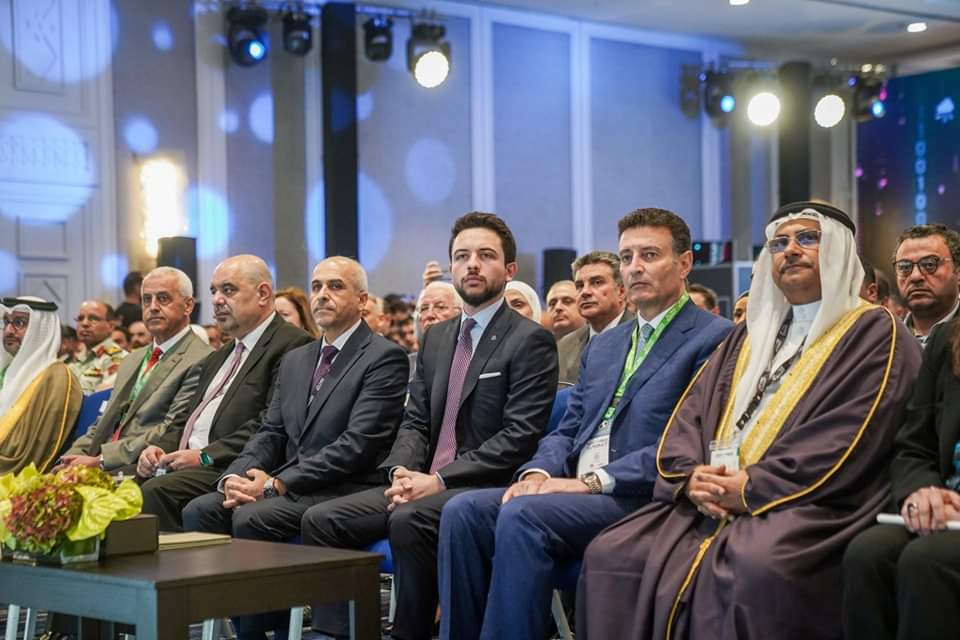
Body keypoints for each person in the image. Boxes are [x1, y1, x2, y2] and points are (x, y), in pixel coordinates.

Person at [576, 201, 922, 640]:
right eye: (779, 243)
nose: (790, 250)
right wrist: (690, 475)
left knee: (758, 568)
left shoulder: (874, 331)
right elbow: (692, 413)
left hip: (811, 503)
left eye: (807, 239)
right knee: (612, 553)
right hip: (711, 498)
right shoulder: (749, 332)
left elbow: (850, 434)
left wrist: (753, 486)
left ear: (837, 251)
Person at [438, 208, 733, 640]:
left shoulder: (716, 338)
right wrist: (539, 473)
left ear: (685, 263)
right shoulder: (607, 344)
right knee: (462, 512)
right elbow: (569, 427)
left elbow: (687, 444)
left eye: (649, 255)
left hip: (643, 493)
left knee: (523, 515)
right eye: (627, 257)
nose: (635, 267)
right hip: (575, 489)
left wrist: (590, 482)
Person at [301, 212, 559, 640]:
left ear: (509, 270)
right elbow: (416, 419)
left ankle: (411, 633)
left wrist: (438, 480)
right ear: (451, 266)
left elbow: (518, 437)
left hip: (483, 484)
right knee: (321, 519)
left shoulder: (529, 339)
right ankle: (337, 635)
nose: (472, 264)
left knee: (409, 519)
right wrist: (401, 472)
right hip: (422, 481)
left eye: (486, 256)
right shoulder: (437, 338)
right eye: (462, 256)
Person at [183, 257, 409, 640]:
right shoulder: (297, 360)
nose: (322, 295)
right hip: (295, 484)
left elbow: (357, 445)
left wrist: (276, 484)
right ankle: (245, 625)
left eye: (335, 286)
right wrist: (234, 478)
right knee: (202, 510)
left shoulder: (383, 357)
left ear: (362, 300)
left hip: (346, 485)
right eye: (316, 286)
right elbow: (270, 431)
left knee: (252, 517)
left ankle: (260, 631)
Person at [134, 255, 313, 531]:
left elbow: (269, 423)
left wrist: (205, 455)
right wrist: (160, 449)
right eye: (214, 291)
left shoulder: (293, 344)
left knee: (156, 491)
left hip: (232, 463)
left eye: (228, 290)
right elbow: (185, 418)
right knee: (119, 483)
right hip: (189, 462)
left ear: (263, 294)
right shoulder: (220, 355)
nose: (217, 300)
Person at [842, 317, 960, 640]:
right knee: (867, 554)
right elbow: (914, 444)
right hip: (946, 506)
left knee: (926, 561)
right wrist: (922, 492)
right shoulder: (946, 339)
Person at [59, 268, 212, 474]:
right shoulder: (133, 359)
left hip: (141, 465)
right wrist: (72, 458)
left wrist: (99, 460)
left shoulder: (201, 358)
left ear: (188, 306)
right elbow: (103, 421)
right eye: (146, 299)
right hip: (99, 458)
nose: (153, 307)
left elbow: (170, 429)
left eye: (163, 298)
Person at [0, 297, 82, 473]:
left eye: (19, 323)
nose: (8, 331)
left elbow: (37, 448)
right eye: (6, 322)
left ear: (41, 330)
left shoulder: (56, 377)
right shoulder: (7, 372)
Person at [557, 251, 632, 384]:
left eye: (597, 282)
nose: (585, 292)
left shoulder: (642, 335)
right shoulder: (564, 346)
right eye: (580, 286)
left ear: (621, 291)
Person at [893, 224, 960, 347]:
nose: (915, 276)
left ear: (958, 272)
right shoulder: (885, 339)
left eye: (929, 264)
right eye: (904, 267)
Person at [71, 300, 128, 393]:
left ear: (111, 326)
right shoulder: (77, 358)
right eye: (80, 318)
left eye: (93, 319)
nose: (84, 323)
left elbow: (104, 396)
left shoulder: (118, 358)